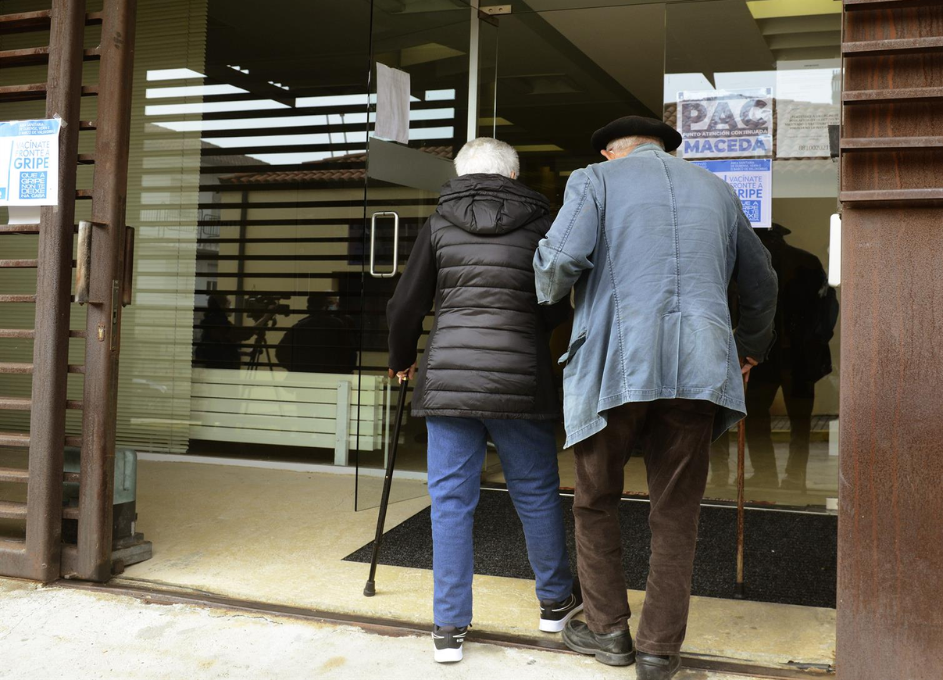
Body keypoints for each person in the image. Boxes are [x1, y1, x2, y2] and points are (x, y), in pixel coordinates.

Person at [533, 116, 777, 680]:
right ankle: (658, 650)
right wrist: (748, 349)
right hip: (699, 366)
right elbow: (762, 281)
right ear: (666, 149)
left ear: (609, 151)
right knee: (676, 510)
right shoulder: (715, 189)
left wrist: (546, 286)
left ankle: (608, 631)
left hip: (615, 366)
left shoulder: (594, 179)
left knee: (595, 498)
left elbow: (560, 264)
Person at [385, 137, 579, 664]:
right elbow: (556, 300)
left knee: (450, 501)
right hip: (519, 378)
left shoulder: (439, 224)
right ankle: (554, 603)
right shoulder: (544, 224)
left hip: (449, 378)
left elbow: (405, 304)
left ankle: (448, 627)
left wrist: (402, 358)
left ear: (461, 173)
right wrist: (530, 328)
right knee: (536, 492)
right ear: (513, 176)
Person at [740, 224, 839, 491]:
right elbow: (828, 308)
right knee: (799, 420)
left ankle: (766, 473)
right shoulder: (806, 261)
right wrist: (816, 342)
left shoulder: (751, 266)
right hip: (798, 355)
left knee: (756, 415)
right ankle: (793, 476)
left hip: (764, 355)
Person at [275, 293, 358, 374]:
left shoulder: (299, 327)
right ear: (325, 307)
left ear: (308, 308)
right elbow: (350, 355)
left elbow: (281, 353)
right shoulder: (338, 325)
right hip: (332, 379)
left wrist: (298, 371)